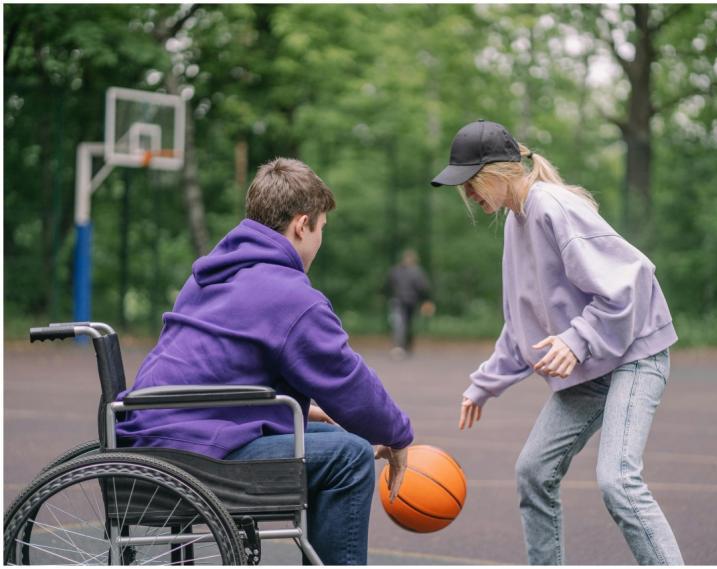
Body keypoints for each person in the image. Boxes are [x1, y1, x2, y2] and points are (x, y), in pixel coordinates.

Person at [117, 157, 413, 565]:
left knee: (338, 440)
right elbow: (347, 379)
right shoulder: (290, 295)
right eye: (321, 229)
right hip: (191, 453)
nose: (319, 242)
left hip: (152, 432)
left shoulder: (210, 275)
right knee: (350, 456)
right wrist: (398, 434)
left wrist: (303, 412)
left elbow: (217, 370)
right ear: (301, 224)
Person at [431, 120, 684, 565]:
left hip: (634, 354)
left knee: (618, 481)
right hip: (594, 364)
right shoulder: (515, 222)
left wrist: (578, 338)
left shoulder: (552, 206)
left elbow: (633, 278)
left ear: (497, 172)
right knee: (534, 472)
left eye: (471, 183)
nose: (468, 195)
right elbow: (521, 328)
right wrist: (483, 384)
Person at [384, 248, 435, 358]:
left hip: (406, 301)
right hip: (402, 301)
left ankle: (405, 346)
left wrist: (425, 300)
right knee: (401, 324)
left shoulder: (397, 270)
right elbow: (423, 287)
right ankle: (401, 346)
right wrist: (426, 300)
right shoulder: (415, 271)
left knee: (405, 324)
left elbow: (388, 284)